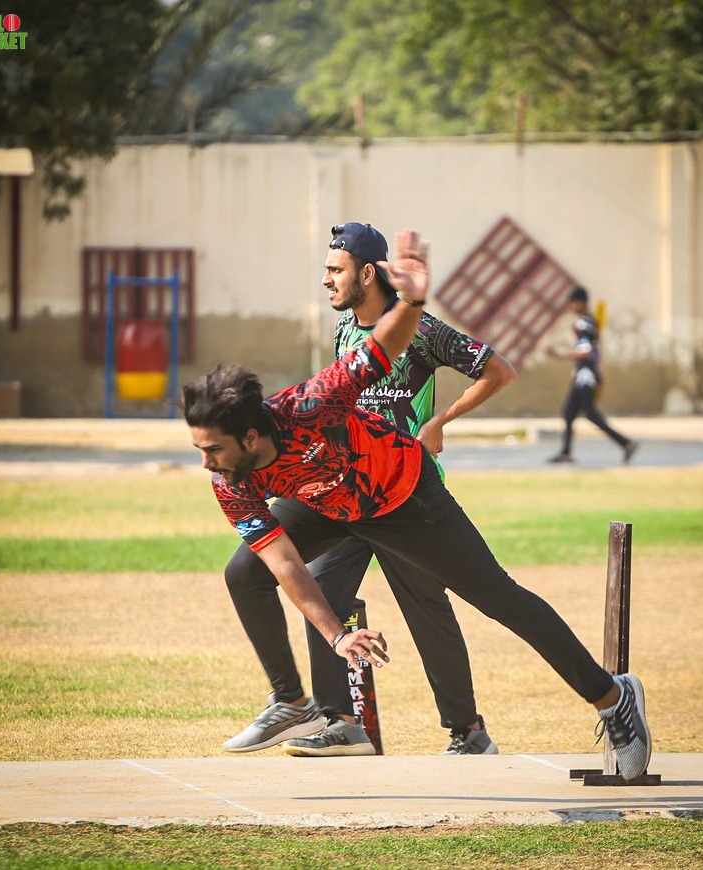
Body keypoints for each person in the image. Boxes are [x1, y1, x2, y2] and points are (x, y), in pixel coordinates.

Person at [183, 229, 652, 782]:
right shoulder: (229, 479)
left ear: (252, 436)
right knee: (244, 572)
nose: (206, 463)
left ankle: (611, 698)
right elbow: (282, 561)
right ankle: (293, 702)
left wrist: (412, 301)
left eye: (214, 450)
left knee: (498, 598)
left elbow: (382, 351)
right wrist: (338, 634)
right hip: (331, 504)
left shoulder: (311, 404)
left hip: (405, 496)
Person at [285, 222, 516, 758]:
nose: (325, 280)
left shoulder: (420, 328)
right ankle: (342, 722)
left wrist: (441, 420)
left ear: (367, 273)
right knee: (320, 592)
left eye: (335, 270)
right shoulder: (345, 331)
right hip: (352, 496)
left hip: (407, 498)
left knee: (426, 609)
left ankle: (469, 731)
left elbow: (497, 371)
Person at [546, 286, 638, 464]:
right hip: (583, 375)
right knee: (569, 412)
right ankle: (566, 453)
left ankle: (627, 443)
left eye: (573, 302)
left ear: (581, 302)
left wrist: (559, 355)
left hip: (585, 376)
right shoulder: (589, 321)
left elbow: (585, 351)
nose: (571, 306)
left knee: (590, 414)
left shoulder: (584, 324)